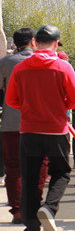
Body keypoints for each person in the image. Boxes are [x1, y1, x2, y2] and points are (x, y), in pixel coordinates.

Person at [6, 25, 75, 231]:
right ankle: (49, 207)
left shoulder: (21, 68)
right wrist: (59, 107)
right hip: (56, 130)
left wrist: (29, 107)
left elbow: (11, 99)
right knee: (61, 172)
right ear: (56, 44)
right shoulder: (63, 67)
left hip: (29, 130)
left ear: (35, 43)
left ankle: (32, 224)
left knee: (30, 178)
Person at [0, 27, 48, 225]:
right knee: (40, 164)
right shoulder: (46, 61)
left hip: (11, 122)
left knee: (13, 167)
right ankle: (34, 207)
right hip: (40, 123)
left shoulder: (5, 63)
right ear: (33, 42)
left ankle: (18, 210)